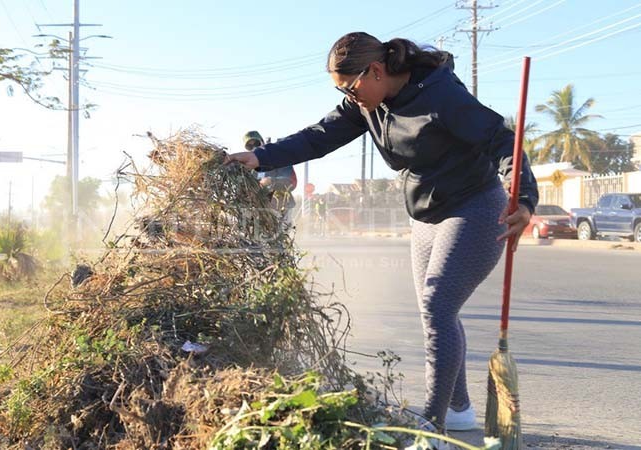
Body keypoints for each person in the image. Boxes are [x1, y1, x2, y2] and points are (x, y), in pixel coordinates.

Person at [227, 32, 537, 435]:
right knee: (436, 312)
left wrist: (525, 198)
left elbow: (502, 139)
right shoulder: (368, 104)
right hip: (426, 215)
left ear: (375, 71)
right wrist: (260, 156)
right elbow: (318, 136)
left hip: (476, 206)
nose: (350, 98)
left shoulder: (441, 94)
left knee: (438, 304)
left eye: (351, 88)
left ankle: (432, 424)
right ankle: (459, 408)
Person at [243, 131, 297, 228]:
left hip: (281, 206)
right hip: (260, 208)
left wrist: (271, 180)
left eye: (256, 143)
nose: (254, 147)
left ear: (262, 142)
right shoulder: (250, 168)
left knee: (278, 234)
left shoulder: (278, 157)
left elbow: (291, 181)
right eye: (250, 147)